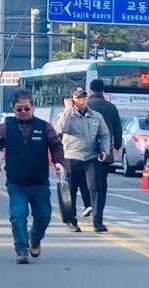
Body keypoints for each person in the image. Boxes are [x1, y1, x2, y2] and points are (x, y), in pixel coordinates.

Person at [0, 88, 65, 263]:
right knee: (18, 215)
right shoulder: (5, 127)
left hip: (40, 182)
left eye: (27, 108)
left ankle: (35, 237)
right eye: (19, 109)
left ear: (32, 108)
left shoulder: (44, 127)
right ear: (14, 109)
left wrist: (59, 162)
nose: (24, 112)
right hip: (16, 183)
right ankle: (21, 249)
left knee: (44, 216)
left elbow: (56, 146)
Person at [52, 86, 111, 233]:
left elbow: (104, 134)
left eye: (84, 97)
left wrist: (105, 150)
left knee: (96, 188)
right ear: (72, 100)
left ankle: (98, 222)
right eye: (78, 97)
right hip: (71, 157)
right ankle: (71, 221)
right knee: (70, 191)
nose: (82, 100)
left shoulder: (96, 116)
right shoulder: (66, 115)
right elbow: (58, 130)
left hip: (91, 157)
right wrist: (67, 110)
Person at [86, 78, 123, 228]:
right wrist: (117, 145)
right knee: (100, 186)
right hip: (104, 152)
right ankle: (98, 219)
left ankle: (81, 209)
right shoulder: (111, 107)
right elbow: (117, 129)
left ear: (90, 89)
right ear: (103, 90)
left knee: (84, 184)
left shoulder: (85, 105)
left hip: (83, 151)